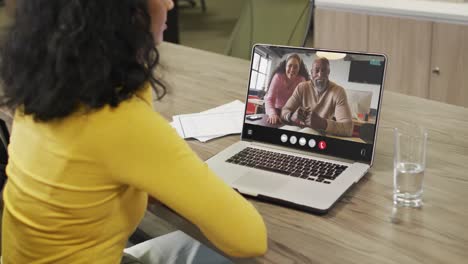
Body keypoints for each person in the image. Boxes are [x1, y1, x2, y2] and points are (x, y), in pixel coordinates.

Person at [0, 0, 267, 263]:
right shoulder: (118, 122)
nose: (170, 5)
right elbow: (250, 239)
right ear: (123, 12)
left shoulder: (41, 95)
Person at [281, 57, 353, 137]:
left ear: (328, 72)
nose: (320, 75)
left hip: (320, 136)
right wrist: (291, 116)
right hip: (298, 131)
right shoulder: (301, 87)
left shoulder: (338, 91)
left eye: (324, 70)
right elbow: (284, 111)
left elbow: (348, 129)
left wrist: (322, 123)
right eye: (317, 70)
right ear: (311, 73)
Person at [263, 54, 309, 125]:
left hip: (290, 112)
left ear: (299, 68)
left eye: (295, 67)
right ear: (285, 66)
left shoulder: (302, 80)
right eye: (290, 65)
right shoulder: (278, 77)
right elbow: (270, 99)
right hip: (276, 109)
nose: (292, 69)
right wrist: (272, 114)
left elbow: (304, 101)